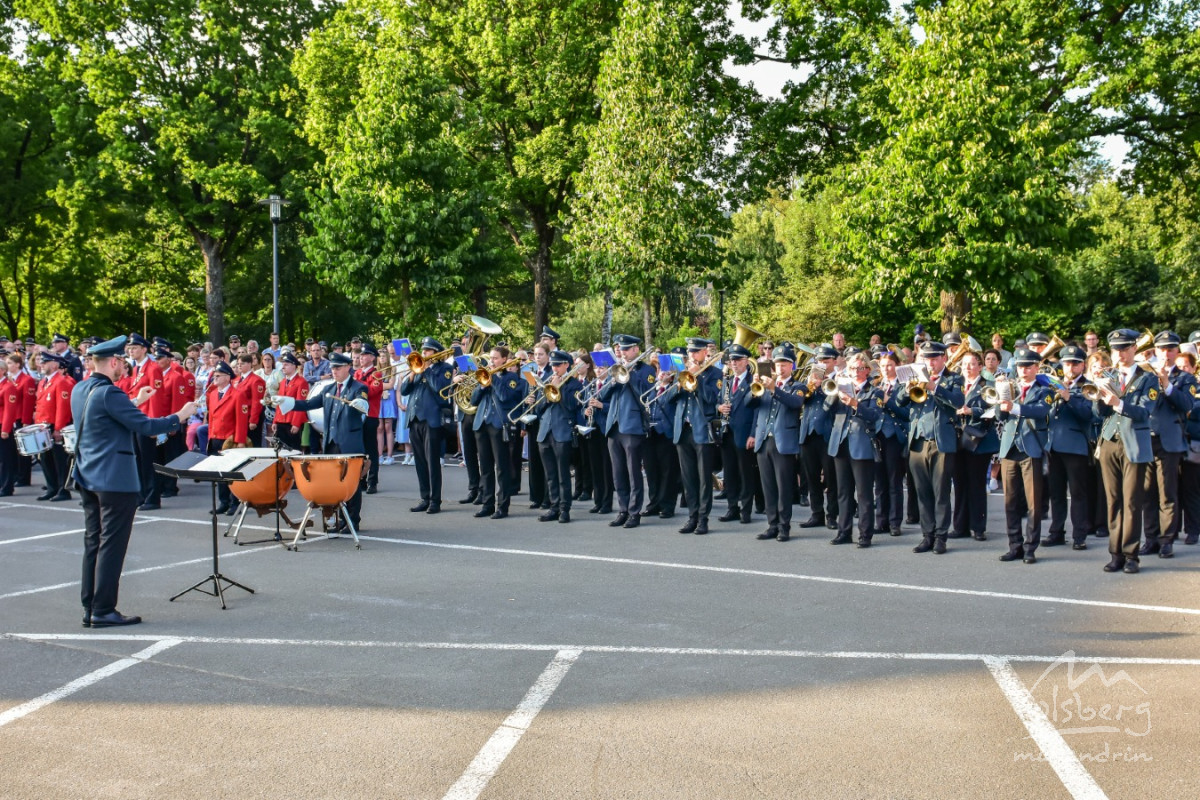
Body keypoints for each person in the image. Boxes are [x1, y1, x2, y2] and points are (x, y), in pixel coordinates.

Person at [71, 335, 197, 627]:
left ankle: (90, 606)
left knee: (93, 541)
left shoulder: (82, 389)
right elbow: (145, 425)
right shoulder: (110, 393)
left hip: (87, 474)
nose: (124, 368)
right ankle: (103, 609)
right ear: (113, 362)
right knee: (112, 544)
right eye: (121, 363)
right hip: (114, 478)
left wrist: (134, 401)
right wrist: (180, 415)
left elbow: (106, 419)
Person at [274, 351, 370, 531]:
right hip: (332, 443)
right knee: (336, 485)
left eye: (338, 367)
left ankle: (353, 522)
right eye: (333, 368)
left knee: (351, 485)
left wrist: (360, 404)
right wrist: (287, 401)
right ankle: (341, 519)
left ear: (348, 368)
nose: (334, 371)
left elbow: (363, 402)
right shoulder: (329, 389)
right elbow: (309, 403)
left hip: (350, 444)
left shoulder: (359, 387)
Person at [1093, 329, 1156, 574]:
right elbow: (1099, 414)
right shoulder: (1108, 374)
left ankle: (1131, 555)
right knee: (1113, 501)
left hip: (1134, 442)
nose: (1120, 353)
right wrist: (1098, 396)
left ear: (1134, 349)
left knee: (1131, 502)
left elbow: (1144, 412)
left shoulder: (1146, 378)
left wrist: (1118, 403)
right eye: (1116, 349)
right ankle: (1115, 553)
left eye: (1125, 348)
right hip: (1109, 440)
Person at [896, 341, 965, 554]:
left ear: (943, 358)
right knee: (922, 492)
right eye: (927, 358)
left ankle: (941, 537)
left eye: (934, 358)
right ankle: (927, 535)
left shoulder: (954, 378)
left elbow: (958, 401)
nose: (930, 362)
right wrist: (907, 390)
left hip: (940, 442)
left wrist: (935, 387)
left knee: (940, 492)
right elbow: (899, 402)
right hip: (918, 441)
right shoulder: (915, 375)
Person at [1139, 331, 1197, 558]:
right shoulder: (1145, 374)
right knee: (1147, 494)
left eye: (1171, 349)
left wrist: (1166, 383)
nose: (1166, 353)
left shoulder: (1185, 378)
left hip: (1169, 441)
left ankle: (1166, 540)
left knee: (1168, 494)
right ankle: (1150, 538)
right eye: (1162, 349)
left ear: (1176, 351)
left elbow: (1186, 405)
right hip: (1147, 438)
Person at [994, 348, 1053, 563]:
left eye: (1028, 366)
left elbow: (1040, 411)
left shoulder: (1044, 389)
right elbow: (1000, 415)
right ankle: (1014, 545)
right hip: (1010, 448)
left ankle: (1030, 547)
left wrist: (1015, 407)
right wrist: (1001, 398)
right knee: (1010, 502)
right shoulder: (1010, 386)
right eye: (1020, 366)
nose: (1024, 370)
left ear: (1037, 367)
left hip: (1031, 449)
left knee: (1034, 504)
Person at [661, 338, 721, 534]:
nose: (693, 356)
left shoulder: (715, 373)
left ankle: (703, 519)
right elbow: (667, 400)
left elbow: (712, 399)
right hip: (683, 430)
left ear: (705, 352)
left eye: (696, 352)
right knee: (688, 478)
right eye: (690, 352)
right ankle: (692, 516)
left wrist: (698, 379)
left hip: (702, 430)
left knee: (704, 479)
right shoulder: (681, 373)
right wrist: (679, 383)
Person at [747, 344, 805, 542]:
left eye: (785, 364)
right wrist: (754, 389)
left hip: (784, 442)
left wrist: (774, 390)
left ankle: (784, 527)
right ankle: (772, 524)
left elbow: (795, 403)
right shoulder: (764, 385)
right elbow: (749, 404)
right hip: (764, 440)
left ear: (792, 367)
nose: (780, 368)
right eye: (778, 364)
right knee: (768, 486)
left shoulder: (798, 387)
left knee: (784, 487)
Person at [597, 334, 655, 528]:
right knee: (618, 472)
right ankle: (622, 509)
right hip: (614, 426)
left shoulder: (646, 370)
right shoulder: (615, 369)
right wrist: (614, 379)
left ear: (636, 350)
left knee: (633, 472)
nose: (623, 352)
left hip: (632, 426)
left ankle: (634, 512)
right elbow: (603, 395)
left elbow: (647, 395)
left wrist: (629, 376)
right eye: (621, 349)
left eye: (627, 349)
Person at [825, 352, 882, 547]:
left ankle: (865, 534)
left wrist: (855, 404)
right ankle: (844, 531)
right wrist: (835, 395)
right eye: (851, 368)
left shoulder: (875, 391)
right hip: (841, 443)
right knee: (843, 492)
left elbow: (875, 416)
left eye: (859, 368)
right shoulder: (841, 388)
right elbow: (827, 410)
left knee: (864, 494)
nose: (855, 372)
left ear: (867, 370)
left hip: (862, 444)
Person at [1044, 345, 1094, 550]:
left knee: (1078, 493)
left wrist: (1068, 397)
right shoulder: (1053, 383)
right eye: (1067, 363)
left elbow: (1087, 415)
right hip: (1053, 444)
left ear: (1083, 365)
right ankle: (1056, 532)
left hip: (1075, 446)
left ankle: (1080, 535)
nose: (1070, 366)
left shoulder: (1088, 386)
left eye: (1075, 363)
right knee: (1056, 493)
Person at [399, 337, 454, 514]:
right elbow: (405, 390)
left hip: (432, 420)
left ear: (437, 353)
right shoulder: (417, 367)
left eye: (428, 351)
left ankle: (435, 500)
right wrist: (413, 373)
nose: (424, 354)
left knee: (432, 462)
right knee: (420, 461)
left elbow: (440, 388)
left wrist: (426, 370)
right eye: (423, 351)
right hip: (415, 419)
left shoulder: (445, 368)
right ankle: (424, 497)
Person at [468, 345, 523, 519]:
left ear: (505, 360)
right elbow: (474, 400)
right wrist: (482, 386)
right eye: (491, 358)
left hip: (499, 425)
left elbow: (505, 397)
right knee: (485, 467)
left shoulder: (511, 378)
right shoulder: (484, 375)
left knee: (502, 468)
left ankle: (503, 506)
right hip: (482, 424)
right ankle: (487, 503)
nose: (491, 361)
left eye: (496, 358)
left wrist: (493, 379)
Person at [951, 350, 995, 542]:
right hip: (957, 439)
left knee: (976, 485)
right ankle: (960, 526)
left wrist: (972, 410)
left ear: (980, 367)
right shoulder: (956, 384)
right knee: (960, 484)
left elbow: (993, 409)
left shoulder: (987, 386)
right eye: (964, 364)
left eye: (971, 364)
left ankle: (978, 527)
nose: (967, 368)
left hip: (978, 439)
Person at [534, 350, 583, 522]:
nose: (554, 368)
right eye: (553, 365)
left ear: (566, 365)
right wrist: (548, 394)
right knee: (550, 475)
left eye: (557, 365)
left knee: (563, 475)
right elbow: (538, 410)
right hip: (545, 433)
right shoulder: (547, 382)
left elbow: (572, 406)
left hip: (563, 432)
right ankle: (554, 507)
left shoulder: (575, 385)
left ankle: (564, 510)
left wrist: (557, 389)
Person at [716, 344, 758, 525]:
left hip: (744, 433)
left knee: (745, 473)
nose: (734, 363)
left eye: (737, 360)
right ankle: (732, 507)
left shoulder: (753, 381)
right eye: (732, 360)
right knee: (730, 473)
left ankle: (746, 510)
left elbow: (758, 410)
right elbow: (718, 400)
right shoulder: (727, 381)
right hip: (727, 432)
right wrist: (719, 407)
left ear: (746, 361)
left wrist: (754, 434)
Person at [874, 350, 909, 537]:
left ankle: (895, 522)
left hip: (894, 436)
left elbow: (906, 413)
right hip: (877, 435)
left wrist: (888, 401)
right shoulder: (877, 384)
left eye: (889, 365)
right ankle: (881, 521)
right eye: (883, 365)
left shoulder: (904, 386)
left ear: (896, 366)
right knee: (879, 483)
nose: (886, 369)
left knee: (894, 481)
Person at [32, 352, 75, 501]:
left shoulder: (61, 381)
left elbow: (63, 407)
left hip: (53, 425)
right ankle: (52, 487)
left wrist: (58, 427)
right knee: (45, 458)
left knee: (59, 460)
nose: (41, 365)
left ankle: (63, 490)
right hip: (43, 425)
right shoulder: (44, 381)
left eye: (45, 362)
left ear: (55, 365)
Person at [354, 342, 384, 493]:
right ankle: (361, 479)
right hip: (358, 415)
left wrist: (358, 385)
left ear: (372, 357)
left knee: (371, 450)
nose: (361, 357)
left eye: (365, 355)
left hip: (370, 415)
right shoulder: (357, 373)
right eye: (361, 355)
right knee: (359, 450)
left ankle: (372, 481)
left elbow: (372, 392)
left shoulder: (376, 374)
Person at [271, 351, 310, 452]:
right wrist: (275, 420)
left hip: (292, 421)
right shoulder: (283, 381)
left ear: (294, 366)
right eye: (283, 364)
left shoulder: (301, 382)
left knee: (294, 450)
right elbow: (279, 403)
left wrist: (296, 423)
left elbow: (300, 404)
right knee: (280, 451)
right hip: (281, 421)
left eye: (286, 364)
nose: (283, 367)